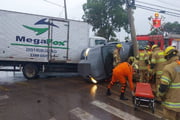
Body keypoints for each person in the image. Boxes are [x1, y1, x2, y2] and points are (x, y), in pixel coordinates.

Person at [157, 46, 180, 120]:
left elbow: (163, 86)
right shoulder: (178, 66)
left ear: (168, 56)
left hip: (171, 105)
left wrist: (160, 95)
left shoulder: (168, 68)